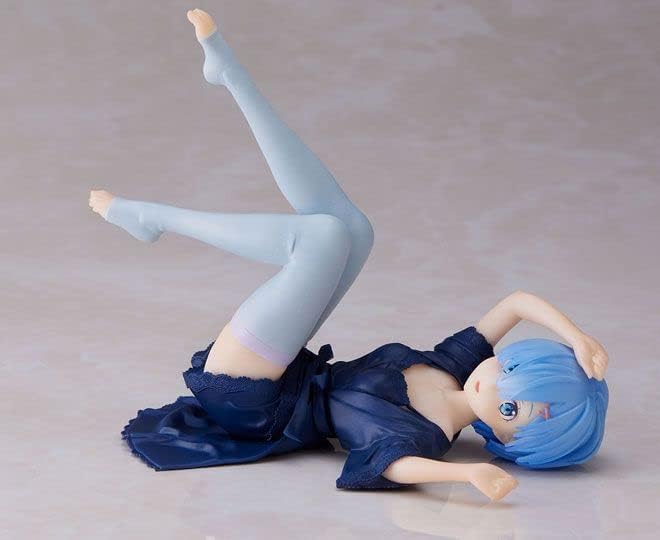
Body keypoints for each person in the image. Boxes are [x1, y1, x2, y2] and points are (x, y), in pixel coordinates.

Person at [89, 9, 609, 502]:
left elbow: (393, 466)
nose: (493, 383)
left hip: (254, 402)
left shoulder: (425, 435)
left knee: (321, 239)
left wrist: (466, 473)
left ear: (508, 439)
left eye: (510, 408)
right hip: (287, 367)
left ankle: (153, 217)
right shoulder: (452, 367)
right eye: (508, 367)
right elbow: (515, 304)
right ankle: (232, 78)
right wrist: (576, 337)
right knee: (355, 231)